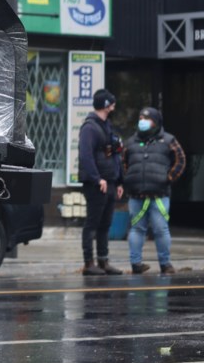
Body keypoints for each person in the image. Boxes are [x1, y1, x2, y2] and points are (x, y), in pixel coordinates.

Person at [122, 106, 187, 275]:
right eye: (140, 118)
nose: (142, 121)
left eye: (147, 119)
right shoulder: (131, 142)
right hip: (136, 195)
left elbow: (180, 160)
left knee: (160, 229)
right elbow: (123, 163)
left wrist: (169, 178)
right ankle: (136, 264)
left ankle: (165, 264)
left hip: (159, 194)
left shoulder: (168, 140)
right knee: (137, 229)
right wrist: (129, 179)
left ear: (156, 122)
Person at [78, 88, 125, 275]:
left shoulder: (107, 126)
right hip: (97, 184)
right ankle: (89, 263)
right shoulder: (90, 127)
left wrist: (119, 181)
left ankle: (103, 261)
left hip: (111, 183)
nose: (114, 106)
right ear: (105, 105)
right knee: (92, 223)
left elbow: (115, 156)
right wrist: (97, 179)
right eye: (111, 102)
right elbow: (85, 156)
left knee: (105, 224)